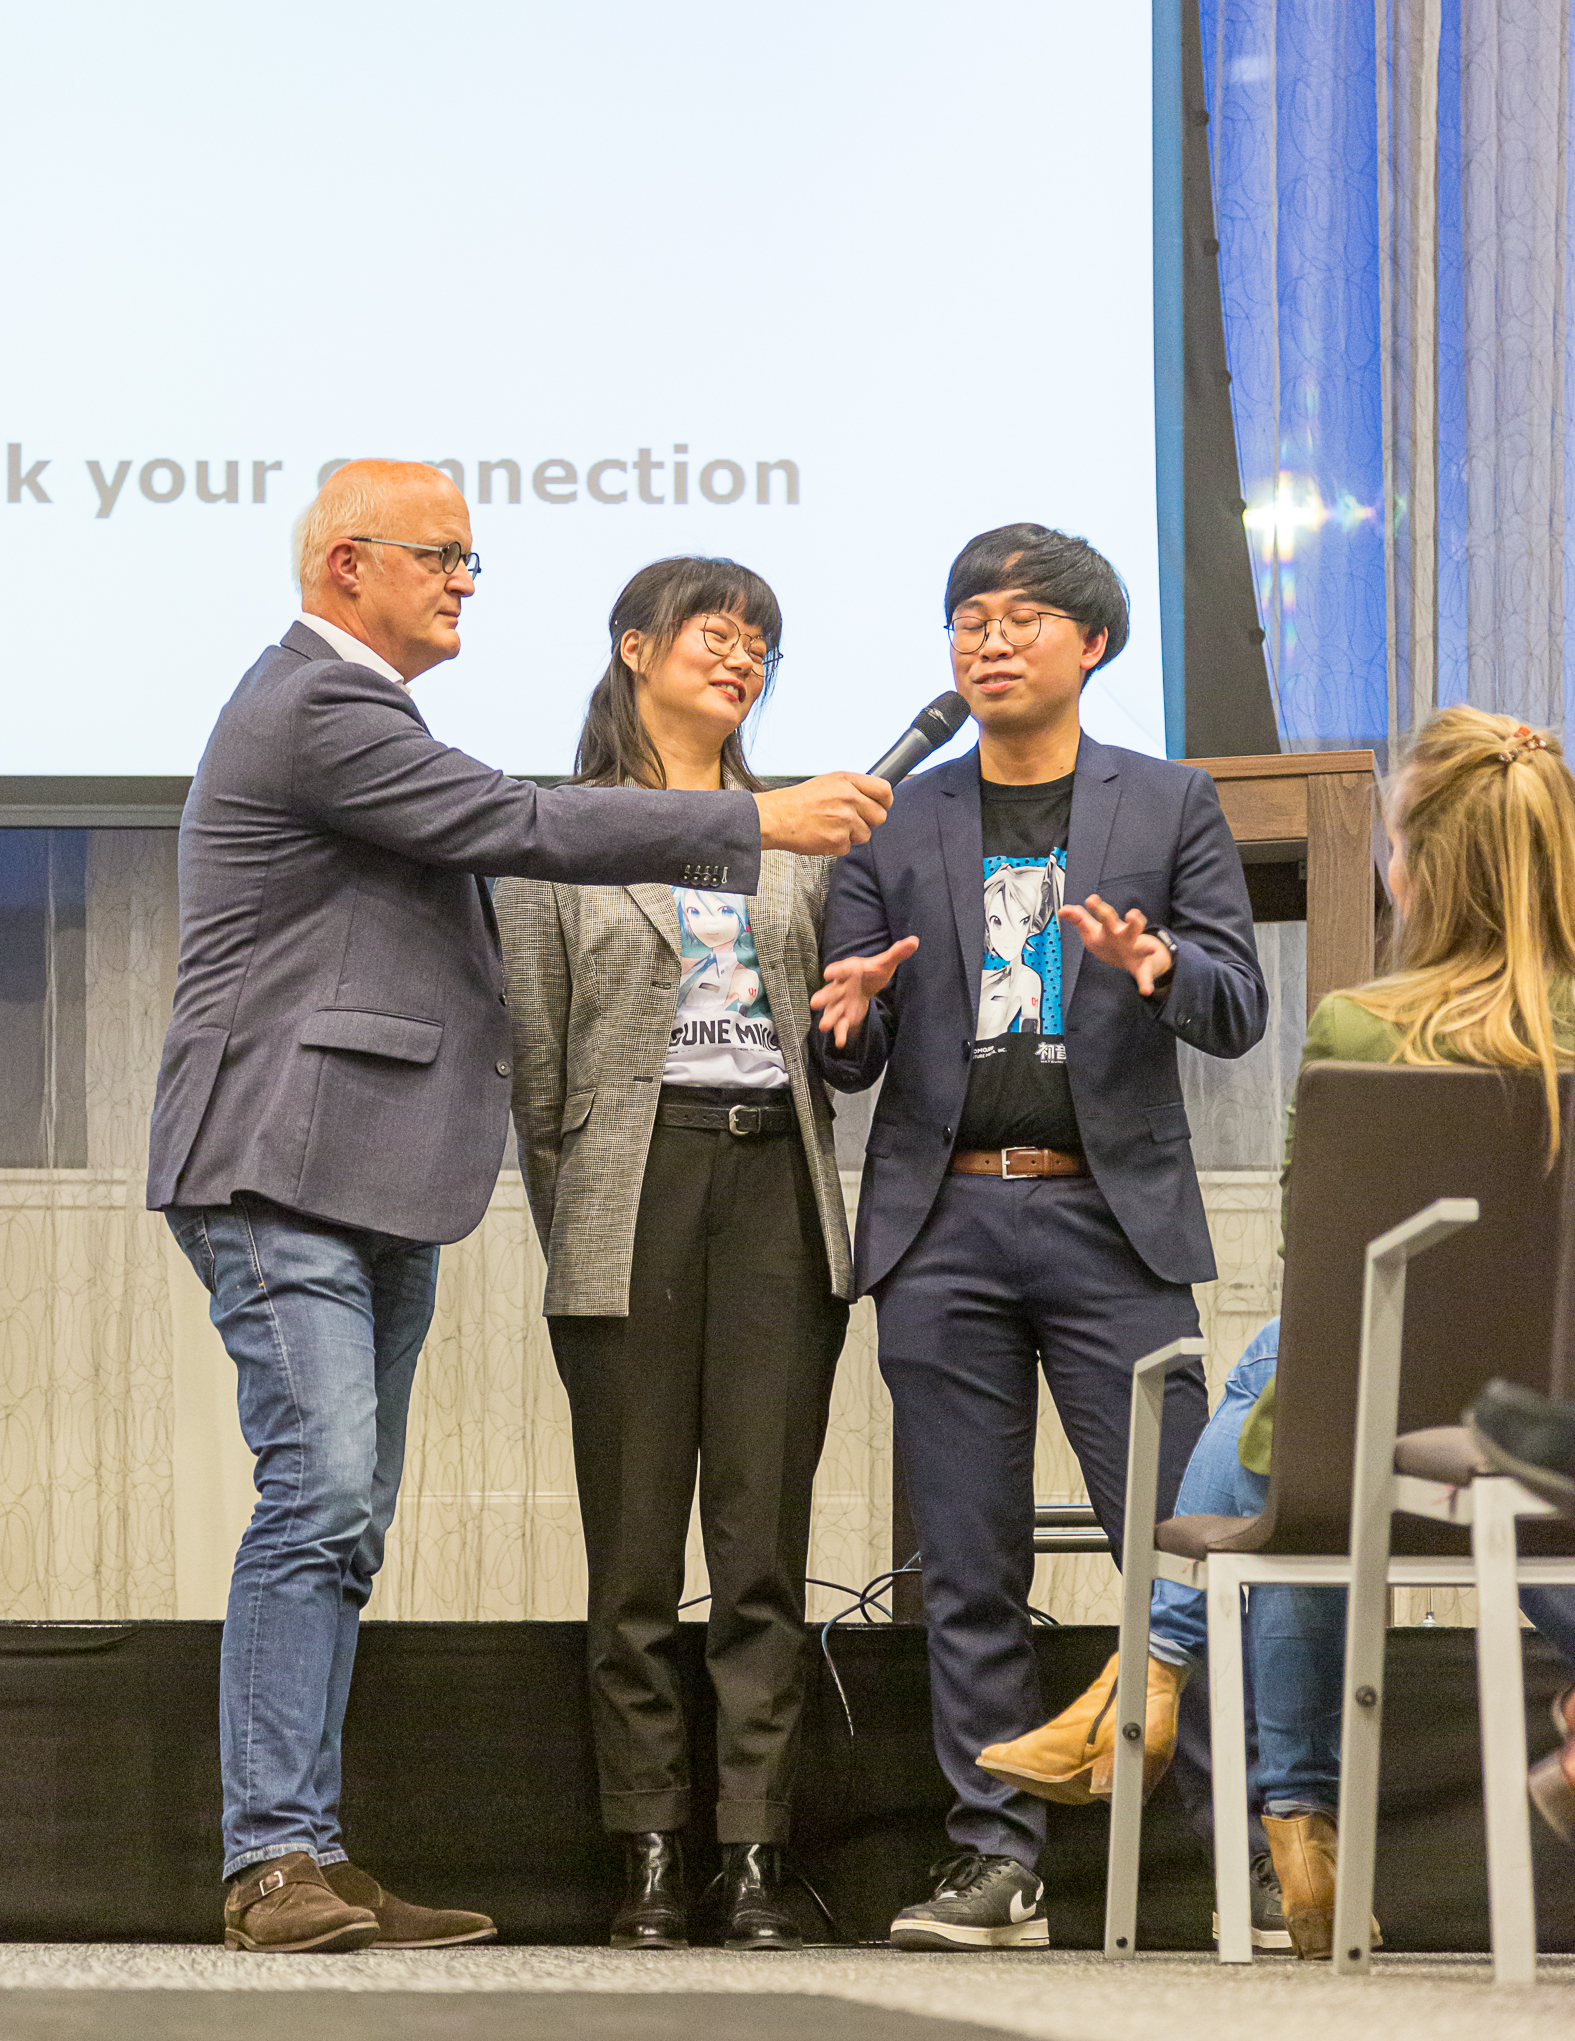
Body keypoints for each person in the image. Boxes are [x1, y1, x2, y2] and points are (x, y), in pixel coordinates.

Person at [147, 461, 892, 1954]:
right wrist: (753, 823)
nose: (464, 583)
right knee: (320, 1498)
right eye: (442, 556)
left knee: (345, 1519)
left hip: (370, 1174)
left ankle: (309, 1845)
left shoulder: (372, 715)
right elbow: (517, 824)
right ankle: (270, 1857)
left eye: (470, 560)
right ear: (348, 563)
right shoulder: (317, 701)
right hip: (280, 1162)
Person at [991, 705, 1575, 1956]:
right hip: (1552, 1465)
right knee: (1301, 1374)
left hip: (1389, 1458)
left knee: (1294, 1369)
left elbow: (1328, 1276)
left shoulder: (1367, 1029)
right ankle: (1187, 1717)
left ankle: (1191, 1718)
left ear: (1419, 868)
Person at [809, 522, 1268, 1950]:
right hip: (942, 1223)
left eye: (1018, 618)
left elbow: (1239, 1006)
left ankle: (1245, 1854)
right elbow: (847, 1042)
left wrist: (1159, 962)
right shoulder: (897, 816)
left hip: (1109, 1221)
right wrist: (848, 1019)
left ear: (1092, 643)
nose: (987, 641)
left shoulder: (1168, 800)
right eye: (968, 619)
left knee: (1180, 1546)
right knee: (969, 1563)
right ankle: (994, 1861)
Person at [499, 557, 853, 1951]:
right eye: (716, 630)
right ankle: (648, 1853)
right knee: (635, 1557)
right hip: (630, 1189)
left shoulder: (802, 838)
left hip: (777, 1188)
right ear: (635, 648)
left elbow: (833, 1039)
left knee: (761, 1548)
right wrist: (589, 1225)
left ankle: (753, 1854)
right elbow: (540, 1083)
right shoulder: (553, 833)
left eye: (762, 639)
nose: (742, 655)